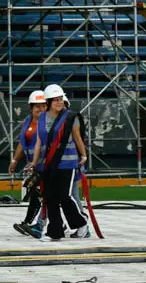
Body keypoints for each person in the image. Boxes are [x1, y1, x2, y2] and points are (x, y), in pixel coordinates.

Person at [30, 84, 90, 241]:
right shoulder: (42, 118)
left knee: (64, 196)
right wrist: (34, 162)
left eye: (60, 99)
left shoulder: (71, 117)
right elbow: (38, 141)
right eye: (55, 100)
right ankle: (55, 232)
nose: (59, 102)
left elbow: (77, 137)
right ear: (48, 102)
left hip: (67, 163)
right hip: (48, 163)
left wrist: (83, 155)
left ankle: (81, 222)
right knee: (49, 197)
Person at [9, 90, 47, 238]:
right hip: (33, 165)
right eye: (37, 106)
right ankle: (31, 222)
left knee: (40, 194)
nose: (40, 109)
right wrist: (15, 160)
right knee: (36, 194)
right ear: (31, 107)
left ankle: (33, 223)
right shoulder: (27, 122)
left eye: (43, 105)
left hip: (44, 164)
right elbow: (22, 143)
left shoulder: (49, 123)